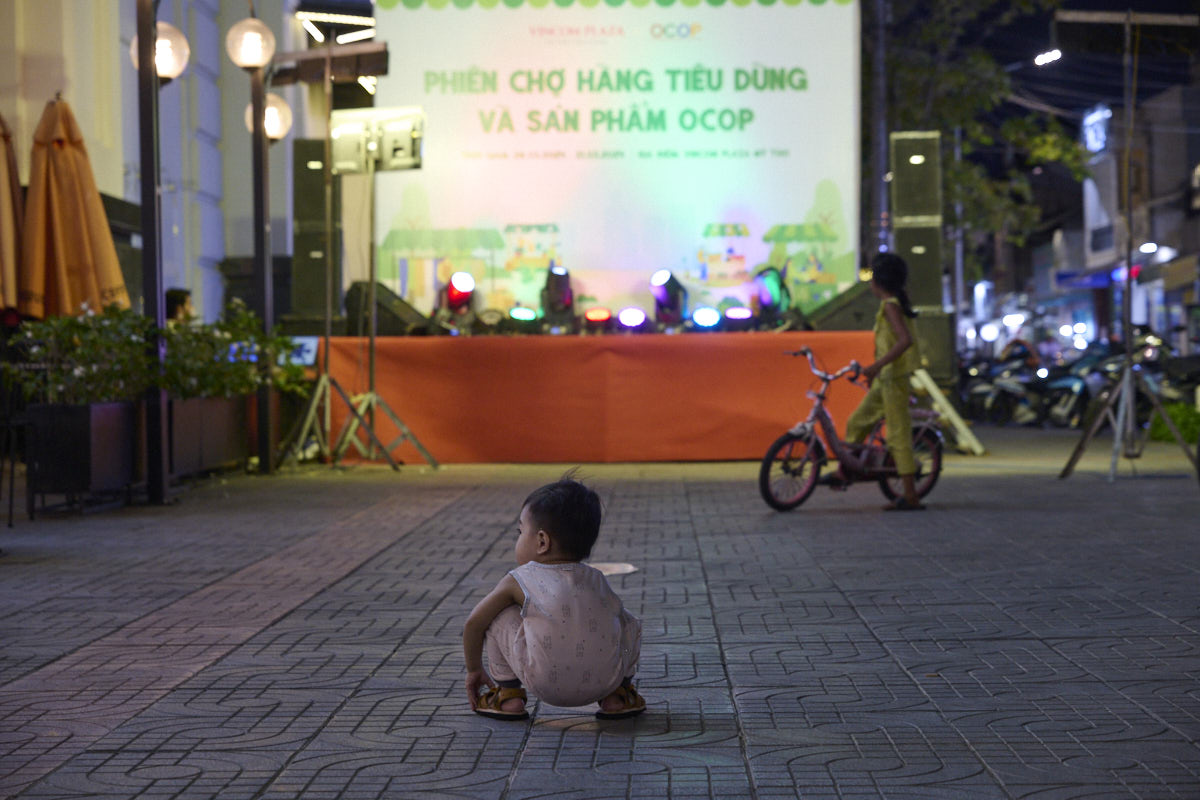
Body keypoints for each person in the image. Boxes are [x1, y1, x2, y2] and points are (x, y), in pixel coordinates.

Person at [462, 476, 645, 721]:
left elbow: (474, 623)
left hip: (544, 684)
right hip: (604, 681)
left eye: (520, 532)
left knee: (497, 615)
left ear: (542, 541)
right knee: (628, 621)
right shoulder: (597, 578)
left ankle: (508, 696)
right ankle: (619, 695)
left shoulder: (520, 579)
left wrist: (474, 669)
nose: (518, 539)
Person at [844, 252, 925, 511]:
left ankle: (910, 496)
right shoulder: (890, 304)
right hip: (885, 380)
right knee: (857, 421)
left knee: (898, 435)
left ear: (879, 281)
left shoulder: (891, 305)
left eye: (872, 277)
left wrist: (875, 367)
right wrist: (877, 372)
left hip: (894, 380)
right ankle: (847, 470)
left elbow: (904, 341)